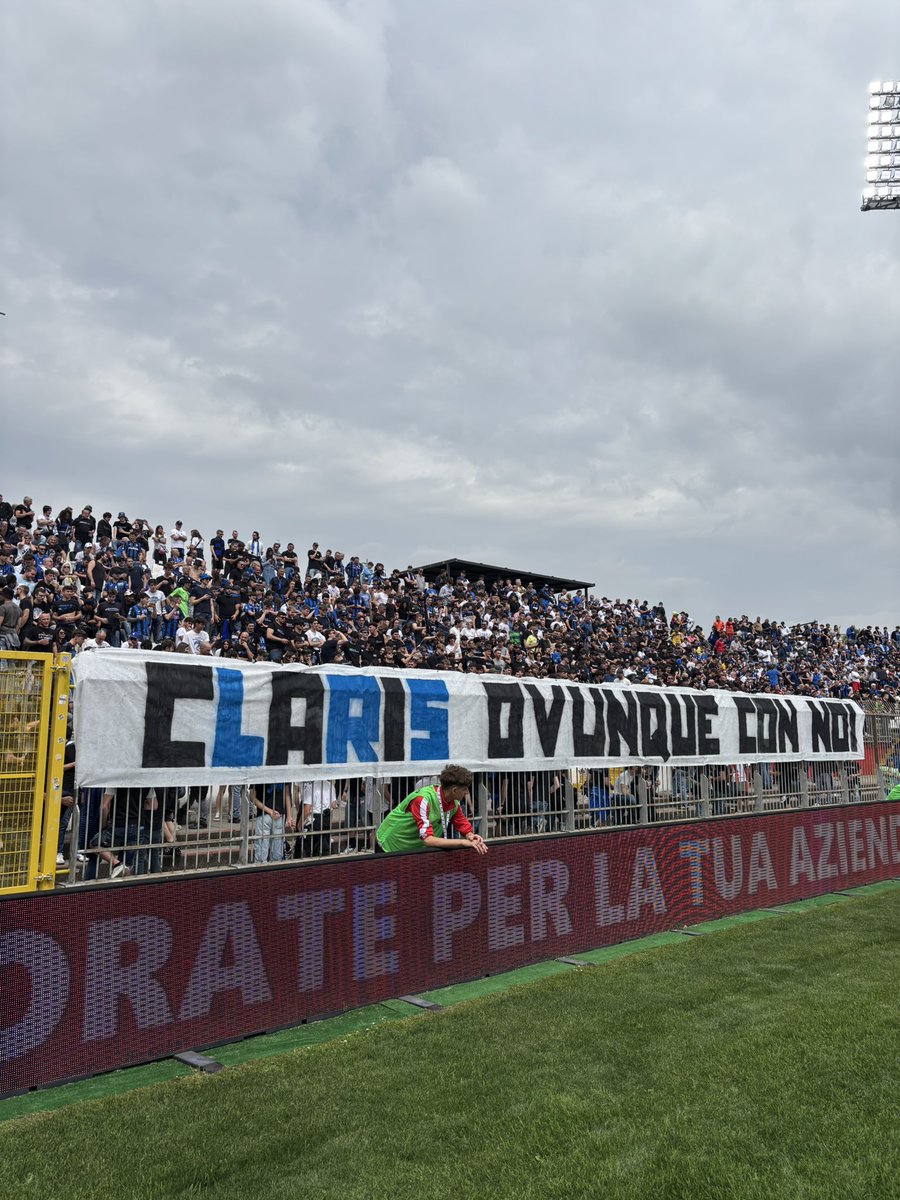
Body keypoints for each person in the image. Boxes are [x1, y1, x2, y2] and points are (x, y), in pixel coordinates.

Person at [375, 764, 488, 855]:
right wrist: (463, 842)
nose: (467, 792)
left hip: (412, 850)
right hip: (388, 846)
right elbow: (428, 840)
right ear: (454, 790)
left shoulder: (453, 802)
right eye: (464, 789)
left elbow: (461, 823)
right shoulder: (422, 800)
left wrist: (470, 836)